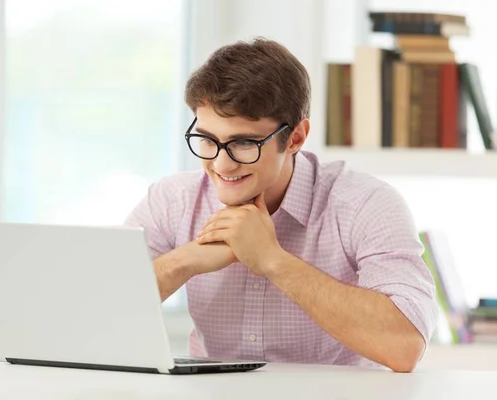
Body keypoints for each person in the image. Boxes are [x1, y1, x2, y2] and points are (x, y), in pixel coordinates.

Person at [125, 38, 437, 373]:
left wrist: (272, 260)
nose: (221, 165)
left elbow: (405, 346)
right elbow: (85, 312)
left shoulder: (366, 204)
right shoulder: (171, 201)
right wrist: (184, 261)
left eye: (243, 143)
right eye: (207, 139)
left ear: (296, 138)